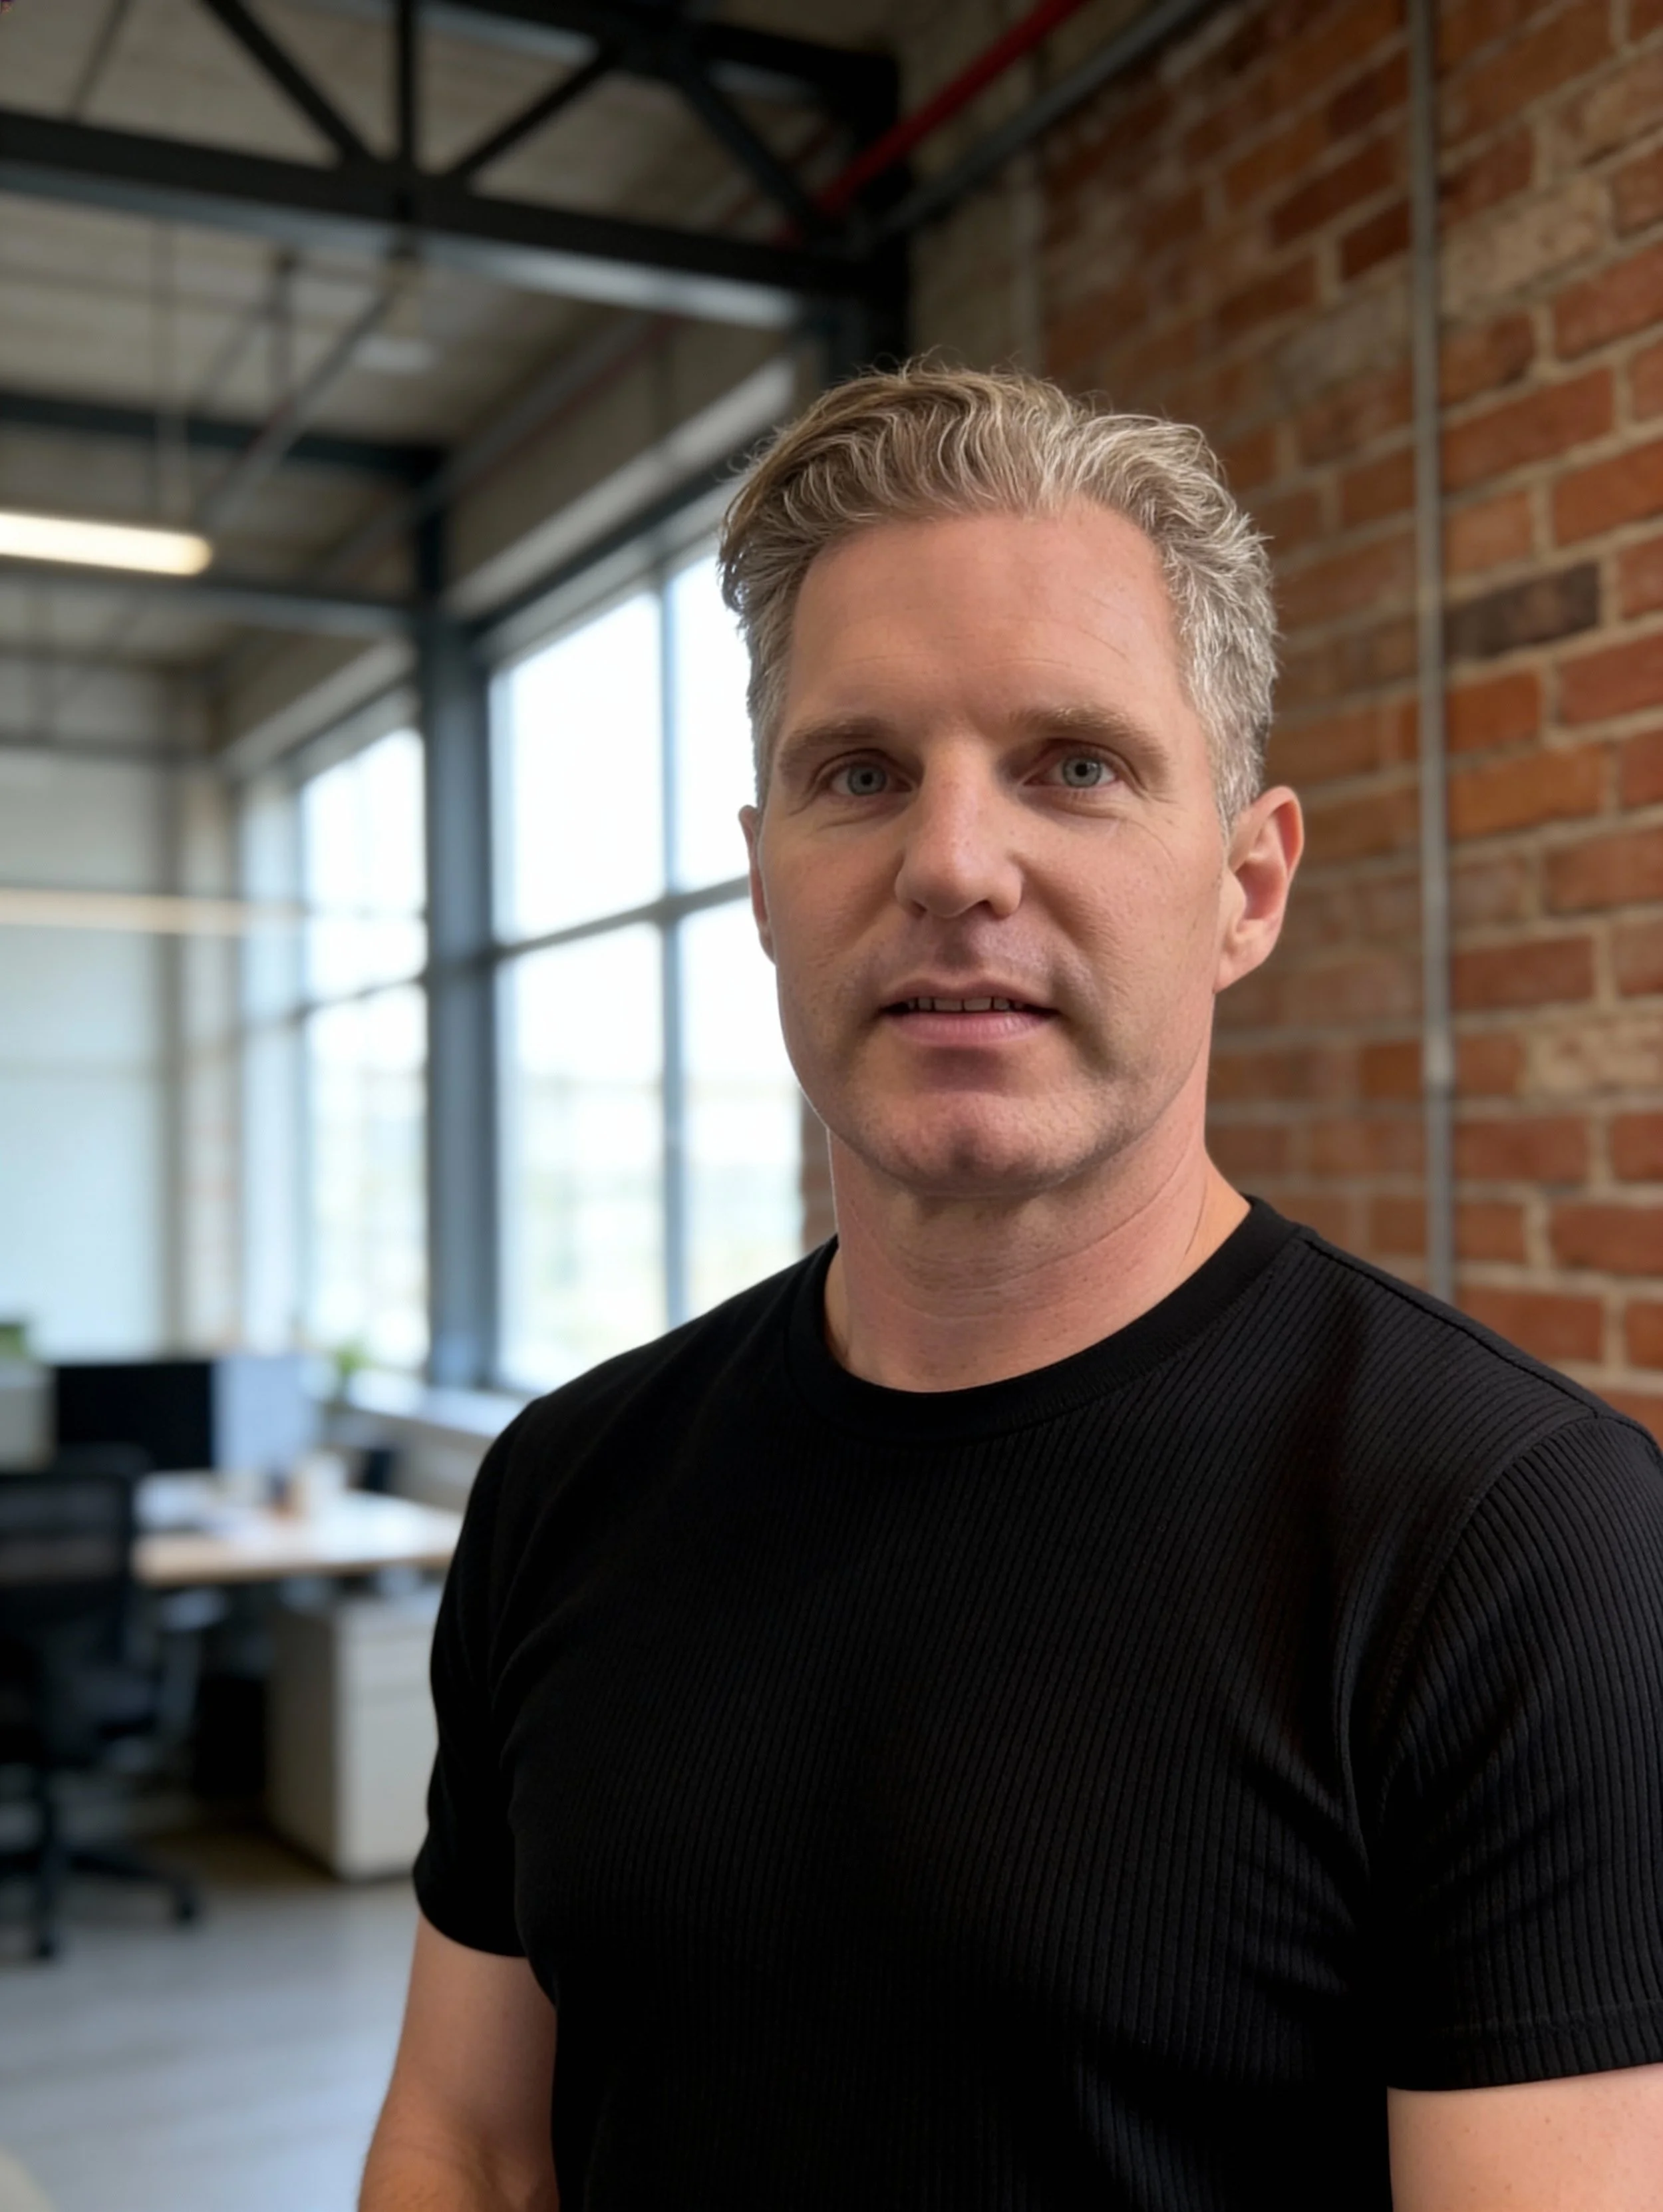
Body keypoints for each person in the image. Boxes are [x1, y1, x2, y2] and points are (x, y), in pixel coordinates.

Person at [361, 365, 1663, 2211]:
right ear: (759, 877)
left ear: (1244, 885)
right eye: (859, 773)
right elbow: (470, 2146)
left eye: (1073, 765)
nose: (952, 864)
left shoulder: (1515, 1544)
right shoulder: (565, 1484)